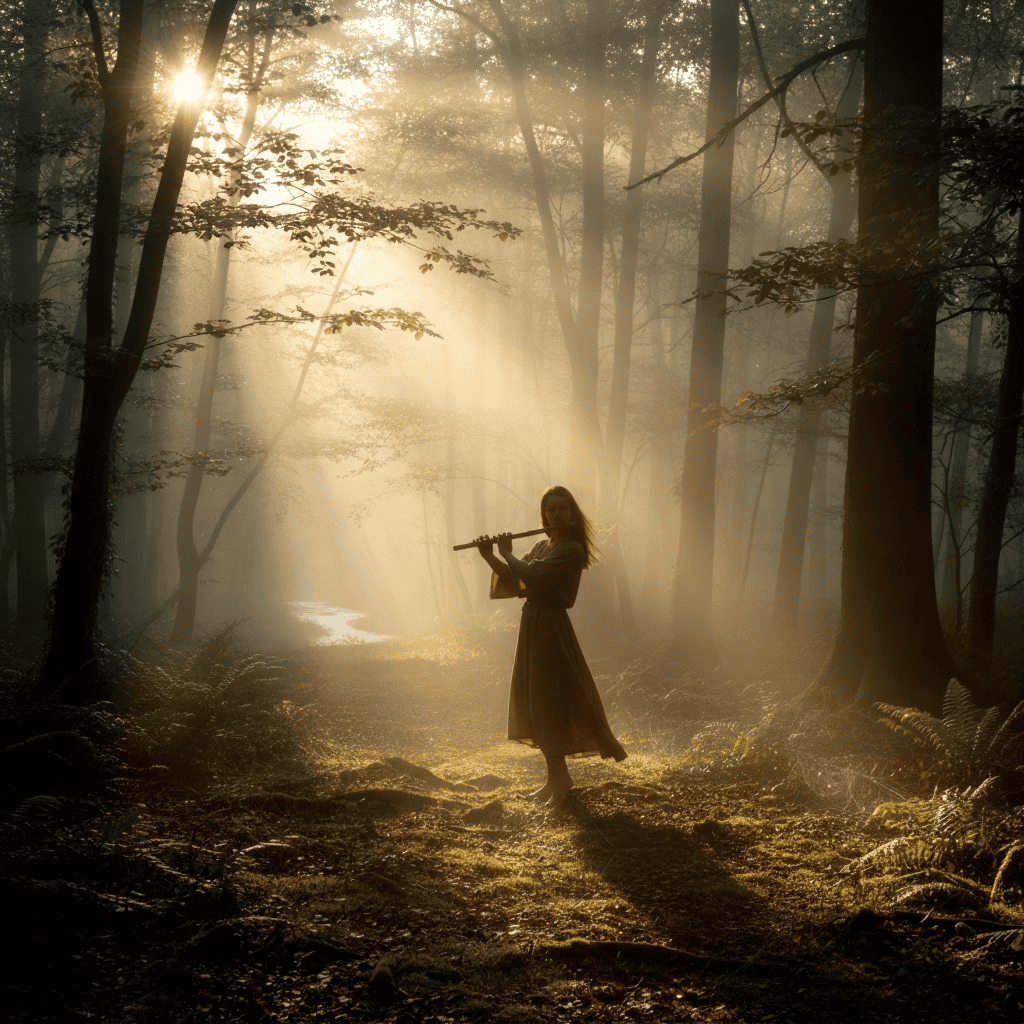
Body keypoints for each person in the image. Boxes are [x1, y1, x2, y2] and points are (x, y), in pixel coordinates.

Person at [474, 485, 627, 807]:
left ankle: (561, 784)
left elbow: (536, 576)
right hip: (532, 624)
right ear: (544, 515)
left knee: (550, 701)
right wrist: (491, 556)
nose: (557, 514)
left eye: (563, 508)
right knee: (536, 702)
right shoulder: (543, 545)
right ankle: (556, 779)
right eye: (551, 509)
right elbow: (517, 580)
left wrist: (507, 552)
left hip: (551, 628)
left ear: (572, 513)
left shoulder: (571, 550)